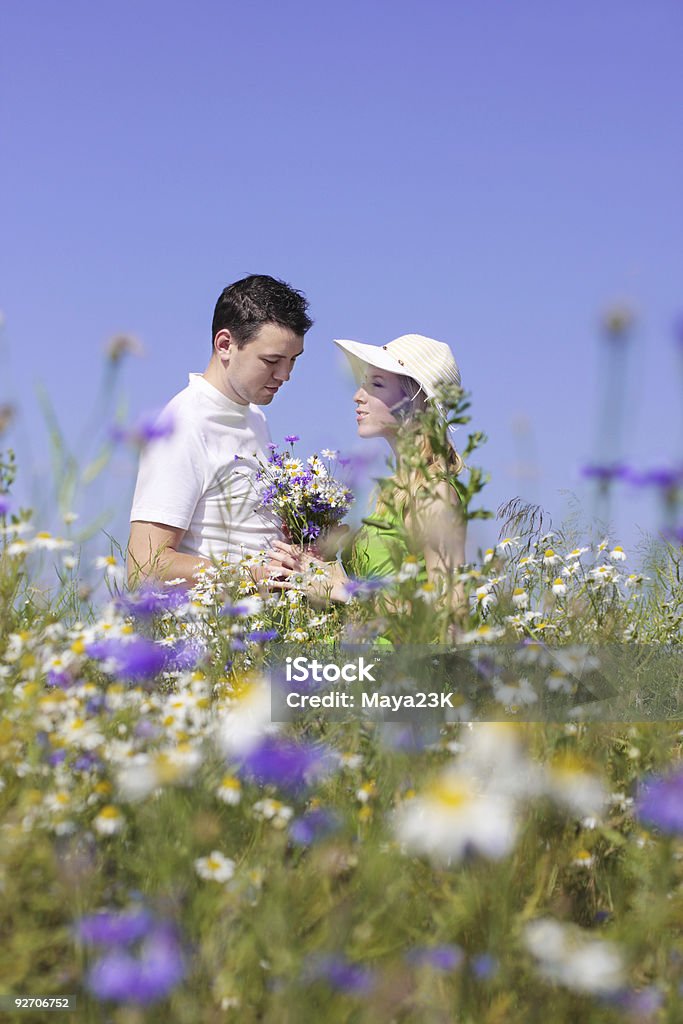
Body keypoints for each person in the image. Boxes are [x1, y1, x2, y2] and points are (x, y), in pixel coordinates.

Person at [127, 274, 313, 585]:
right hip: (205, 630)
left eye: (293, 360)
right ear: (225, 345)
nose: (285, 375)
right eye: (271, 360)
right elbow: (144, 565)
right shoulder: (183, 424)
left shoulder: (254, 417)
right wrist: (252, 575)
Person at [267, 333, 466, 606]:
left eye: (376, 384)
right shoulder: (393, 492)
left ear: (414, 402)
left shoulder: (435, 494)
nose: (358, 396)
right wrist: (322, 565)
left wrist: (346, 591)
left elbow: (450, 612)